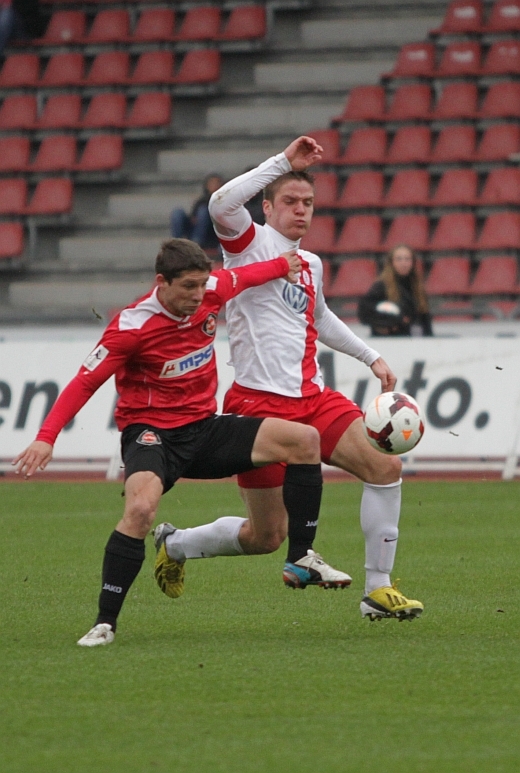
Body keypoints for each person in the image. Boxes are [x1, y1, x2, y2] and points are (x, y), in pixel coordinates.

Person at [12, 238, 325, 647]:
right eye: (188, 287)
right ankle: (105, 623)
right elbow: (84, 382)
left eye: (202, 285)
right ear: (162, 282)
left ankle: (301, 557)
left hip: (204, 429)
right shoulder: (131, 327)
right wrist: (46, 438)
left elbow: (245, 276)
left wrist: (282, 264)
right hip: (152, 435)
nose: (198, 295)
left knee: (304, 440)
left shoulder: (211, 290)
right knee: (140, 510)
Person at [209, 136, 424, 622]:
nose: (301, 210)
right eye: (290, 201)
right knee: (266, 536)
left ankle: (378, 589)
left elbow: (320, 318)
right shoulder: (247, 244)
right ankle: (177, 544)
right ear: (267, 207)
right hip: (258, 404)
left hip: (313, 397)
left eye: (308, 202)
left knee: (385, 466)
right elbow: (220, 203)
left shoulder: (311, 264)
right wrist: (283, 162)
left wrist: (371, 357)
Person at [358, 244, 433, 337]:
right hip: (386, 339)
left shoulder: (417, 287)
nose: (403, 263)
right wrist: (393, 322)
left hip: (411, 339)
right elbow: (365, 313)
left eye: (407, 259)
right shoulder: (381, 286)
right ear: (391, 262)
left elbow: (424, 316)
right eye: (399, 259)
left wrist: (429, 338)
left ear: (413, 262)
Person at [170, 174, 224, 251]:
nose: (215, 185)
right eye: (212, 183)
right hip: (196, 230)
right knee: (177, 212)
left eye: (217, 183)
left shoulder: (225, 202)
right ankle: (177, 244)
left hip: (212, 234)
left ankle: (196, 243)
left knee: (203, 211)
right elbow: (193, 216)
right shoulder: (201, 201)